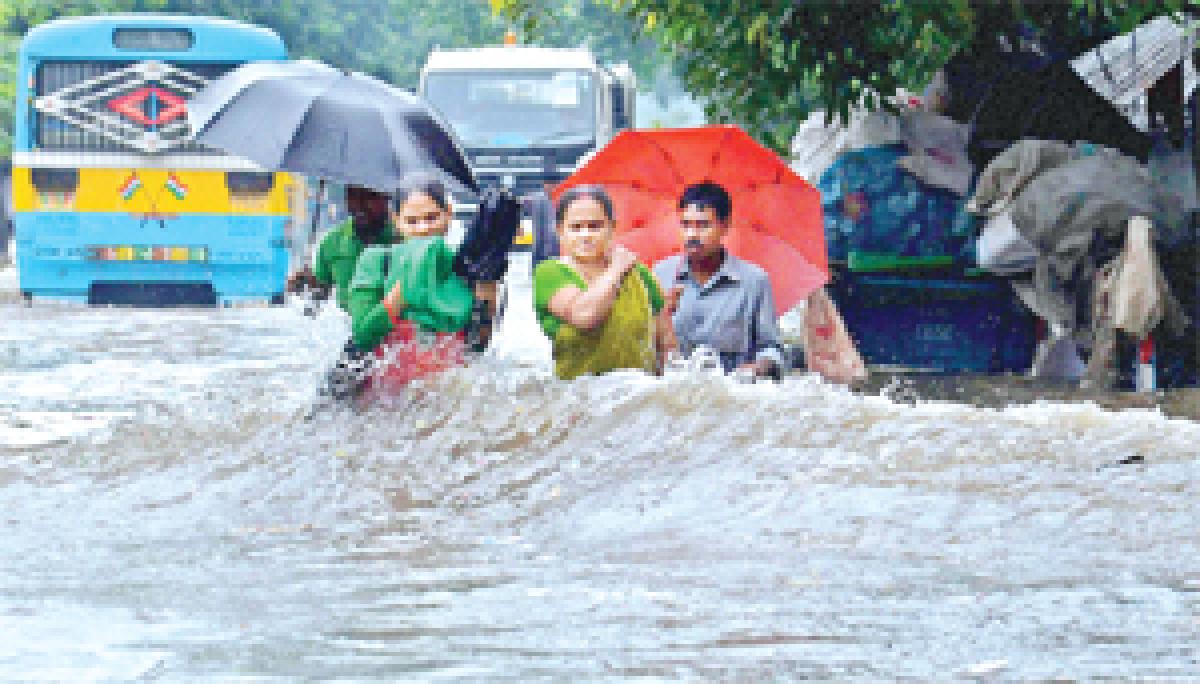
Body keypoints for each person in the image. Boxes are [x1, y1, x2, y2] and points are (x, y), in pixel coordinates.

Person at [346, 178, 508, 396]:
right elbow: (363, 334)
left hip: (441, 397)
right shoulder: (377, 261)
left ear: (448, 214)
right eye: (412, 221)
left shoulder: (463, 266)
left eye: (432, 218)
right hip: (380, 398)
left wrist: (488, 285)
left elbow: (476, 346)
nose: (423, 228)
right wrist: (405, 287)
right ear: (396, 221)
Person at [533, 185, 674, 380]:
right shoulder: (549, 273)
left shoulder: (639, 273)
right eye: (576, 227)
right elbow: (584, 316)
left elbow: (666, 344)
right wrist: (616, 269)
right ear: (560, 231)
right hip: (578, 398)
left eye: (595, 226)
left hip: (639, 396)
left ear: (612, 228)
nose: (586, 236)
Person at [653, 182, 784, 380]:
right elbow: (643, 347)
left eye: (703, 225)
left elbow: (772, 350)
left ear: (724, 227)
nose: (692, 235)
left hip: (732, 395)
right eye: (686, 224)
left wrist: (756, 369)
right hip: (675, 393)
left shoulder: (754, 281)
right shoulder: (661, 275)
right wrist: (662, 317)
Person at [285, 184, 397, 312]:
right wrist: (305, 285)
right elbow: (318, 300)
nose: (359, 205)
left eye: (370, 196)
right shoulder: (332, 243)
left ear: (386, 198)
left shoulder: (402, 240)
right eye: (352, 196)